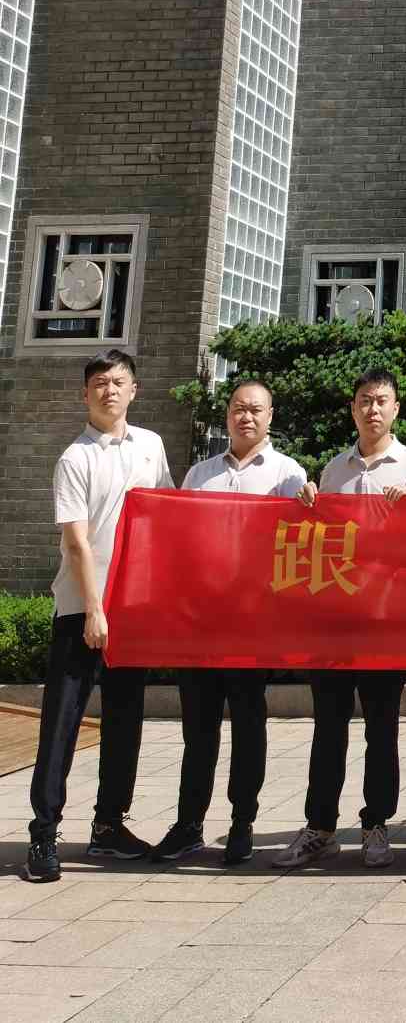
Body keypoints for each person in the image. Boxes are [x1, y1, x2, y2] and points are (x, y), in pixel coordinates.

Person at [273, 368, 406, 870]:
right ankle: (320, 826)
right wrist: (307, 505)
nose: (373, 409)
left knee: (382, 728)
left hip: (386, 619)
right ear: (353, 409)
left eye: (382, 400)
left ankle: (376, 823)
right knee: (328, 727)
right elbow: (323, 538)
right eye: (365, 400)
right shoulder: (333, 469)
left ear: (396, 409)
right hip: (337, 617)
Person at [26, 350, 174, 883]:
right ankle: (44, 833)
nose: (109, 390)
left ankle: (109, 826)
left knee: (125, 720)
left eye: (118, 382)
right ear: (85, 393)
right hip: (81, 611)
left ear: (134, 389)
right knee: (61, 724)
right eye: (99, 383)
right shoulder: (75, 458)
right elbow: (76, 542)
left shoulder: (151, 446)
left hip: (132, 609)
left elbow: (164, 517)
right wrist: (94, 608)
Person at [156, 379, 306, 868]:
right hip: (201, 623)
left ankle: (242, 823)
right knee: (198, 729)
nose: (247, 417)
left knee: (248, 725)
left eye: (256, 410)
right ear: (227, 415)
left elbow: (295, 544)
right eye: (239, 408)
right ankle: (188, 825)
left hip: (252, 625)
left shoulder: (288, 475)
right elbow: (179, 542)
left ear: (270, 416)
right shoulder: (200, 475)